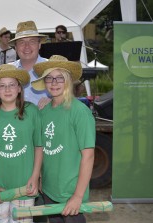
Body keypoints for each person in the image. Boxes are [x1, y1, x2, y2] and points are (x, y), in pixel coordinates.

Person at [31, 55, 95, 223]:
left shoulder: (79, 112)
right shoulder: (43, 112)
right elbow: (42, 151)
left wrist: (78, 196)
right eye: (49, 78)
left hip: (70, 193)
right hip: (49, 190)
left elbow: (88, 156)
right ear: (44, 82)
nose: (54, 83)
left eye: (60, 78)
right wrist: (39, 179)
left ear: (68, 81)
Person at [0, 64, 43, 223]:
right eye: (2, 86)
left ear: (19, 88)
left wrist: (35, 177)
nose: (7, 90)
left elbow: (38, 147)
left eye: (12, 85)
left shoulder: (32, 112)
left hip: (24, 185)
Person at [8, 20, 50, 106]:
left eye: (32, 42)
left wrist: (54, 102)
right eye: (22, 42)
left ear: (39, 45)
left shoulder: (51, 68)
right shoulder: (8, 71)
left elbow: (66, 97)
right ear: (15, 47)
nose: (27, 46)